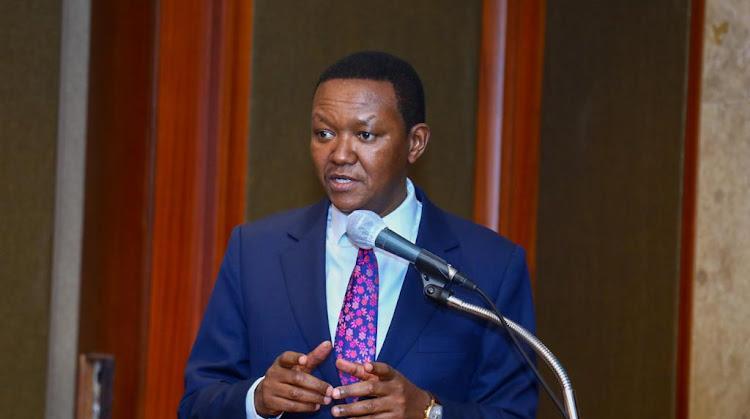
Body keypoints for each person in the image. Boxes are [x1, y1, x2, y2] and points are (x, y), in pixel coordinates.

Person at [179, 51, 537, 419]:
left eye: (365, 135)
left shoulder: (490, 267)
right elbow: (196, 404)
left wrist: (430, 412)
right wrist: (257, 399)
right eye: (324, 134)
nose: (339, 154)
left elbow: (513, 413)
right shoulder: (256, 253)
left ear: (415, 142)